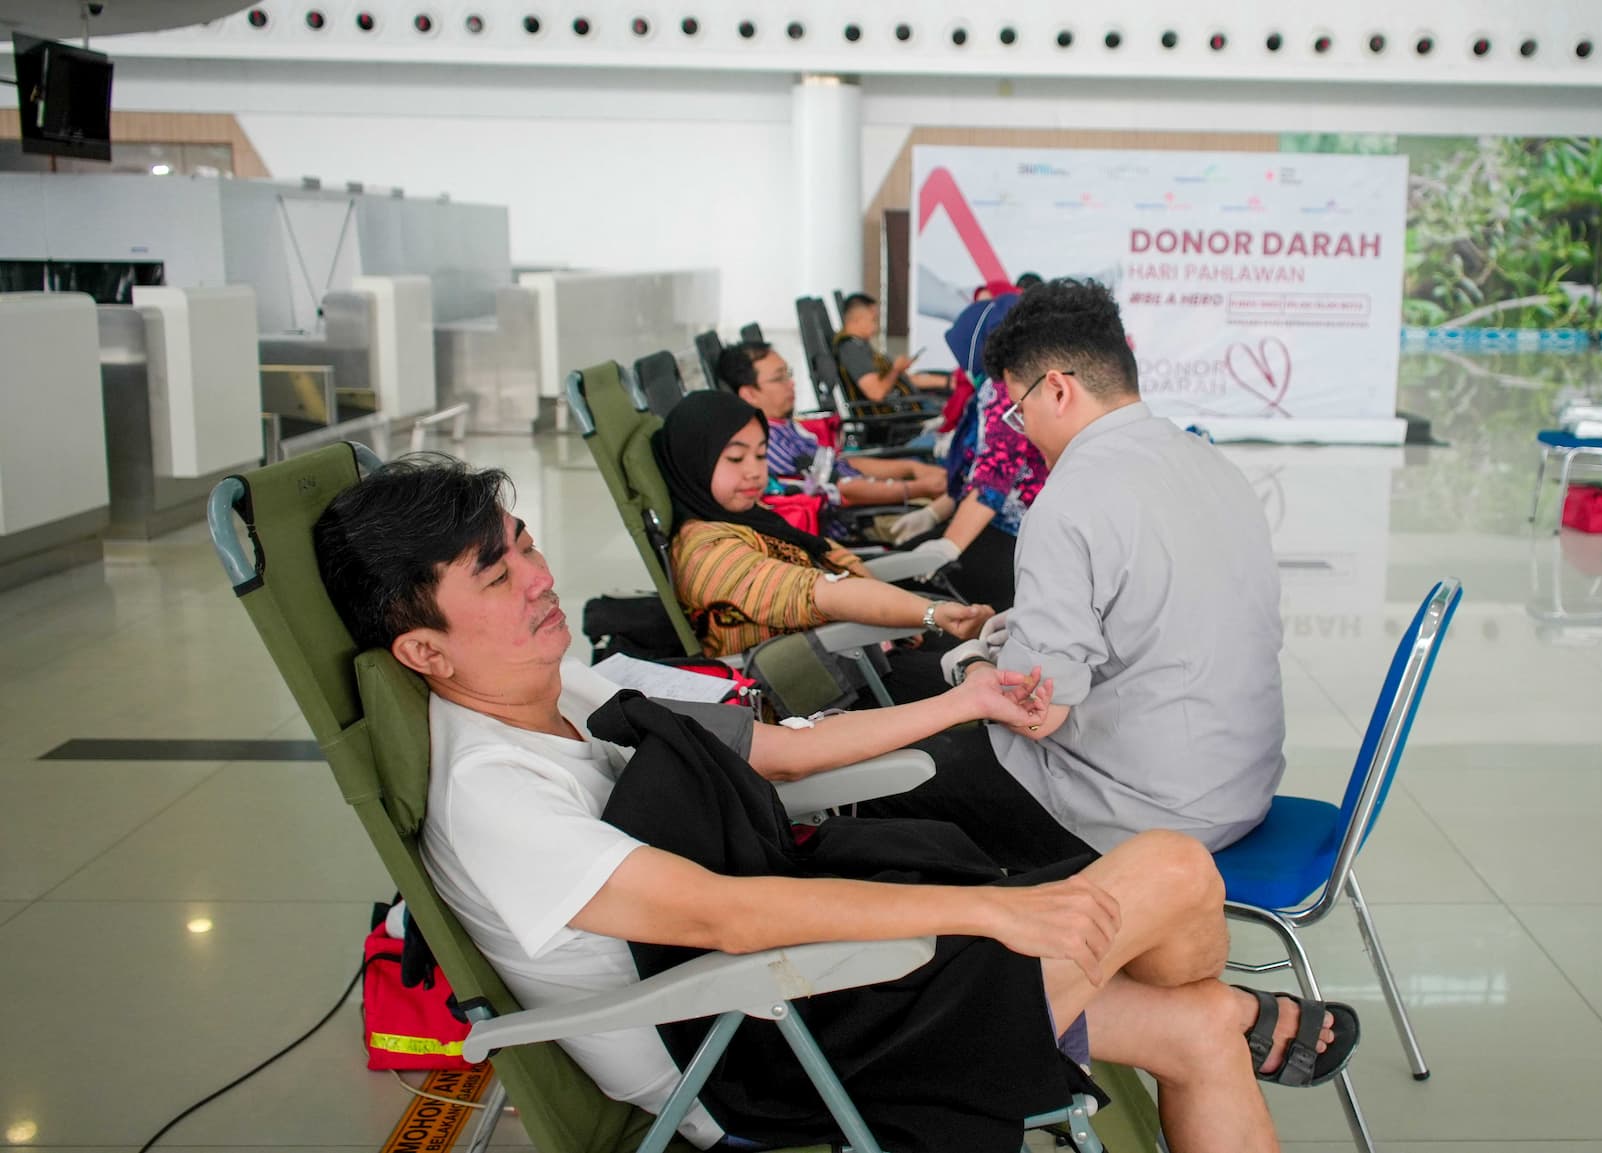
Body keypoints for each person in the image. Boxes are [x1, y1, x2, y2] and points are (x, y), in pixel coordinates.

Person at [310, 456, 1358, 1153]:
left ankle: (1216, 1020)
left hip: (806, 976)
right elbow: (723, 919)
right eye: (494, 575)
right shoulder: (492, 793)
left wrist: (969, 694)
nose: (536, 579)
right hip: (751, 1038)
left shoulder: (561, 687)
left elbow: (774, 750)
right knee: (1174, 870)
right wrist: (983, 912)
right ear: (422, 649)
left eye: (523, 542)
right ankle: (1190, 1017)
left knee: (1198, 1028)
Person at [863, 279, 1286, 862]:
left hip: (1139, 814)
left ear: (1057, 389)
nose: (1023, 430)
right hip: (1240, 785)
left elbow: (1036, 715)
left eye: (1019, 409)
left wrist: (977, 666)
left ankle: (1016, 942)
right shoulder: (1210, 461)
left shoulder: (1069, 501)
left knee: (880, 783)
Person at [652, 388, 991, 665]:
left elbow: (829, 562)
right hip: (820, 687)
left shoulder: (747, 517)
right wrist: (927, 613)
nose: (755, 472)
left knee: (987, 653)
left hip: (857, 649)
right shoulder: (709, 555)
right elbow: (821, 593)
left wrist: (908, 615)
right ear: (694, 461)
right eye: (736, 458)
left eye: (761, 454)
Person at [890, 291, 1048, 610]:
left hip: (1014, 542)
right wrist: (936, 512)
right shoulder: (1026, 379)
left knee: (890, 589)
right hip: (1030, 536)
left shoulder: (1001, 386)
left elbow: (995, 478)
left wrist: (949, 545)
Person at [714, 340, 950, 508]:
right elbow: (840, 489)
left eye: (789, 374)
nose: (791, 384)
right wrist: (917, 488)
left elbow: (840, 464)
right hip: (863, 520)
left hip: (881, 495)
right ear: (749, 394)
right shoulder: (766, 445)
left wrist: (910, 469)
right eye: (779, 378)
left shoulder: (786, 427)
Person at [836, 292, 950, 402]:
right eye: (873, 320)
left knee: (948, 381)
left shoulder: (859, 346)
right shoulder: (852, 351)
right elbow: (877, 393)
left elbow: (905, 380)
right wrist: (895, 370)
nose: (876, 327)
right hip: (902, 411)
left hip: (909, 399)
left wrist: (948, 382)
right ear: (857, 320)